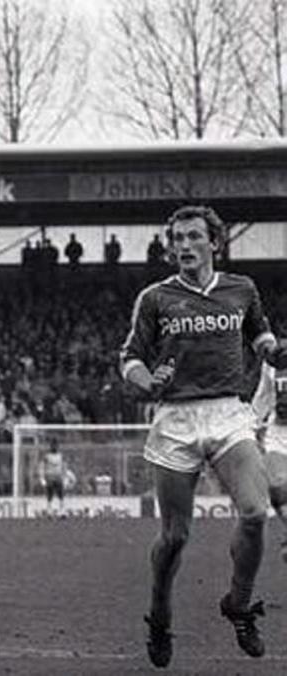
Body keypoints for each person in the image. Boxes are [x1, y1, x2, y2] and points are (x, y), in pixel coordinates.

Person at [121, 205, 287, 667]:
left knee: (256, 514)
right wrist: (144, 381)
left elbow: (261, 336)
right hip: (175, 420)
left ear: (214, 242)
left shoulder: (241, 289)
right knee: (174, 537)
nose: (184, 245)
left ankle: (239, 603)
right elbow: (130, 357)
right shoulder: (155, 298)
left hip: (228, 414)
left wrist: (275, 353)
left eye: (194, 237)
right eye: (177, 239)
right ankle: (159, 613)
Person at [250, 360, 287, 562]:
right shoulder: (274, 360)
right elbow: (263, 396)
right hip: (279, 436)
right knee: (276, 487)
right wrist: (250, 425)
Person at [38, 438, 67, 512]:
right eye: (53, 445)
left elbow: (64, 467)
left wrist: (65, 477)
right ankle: (49, 510)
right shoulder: (46, 456)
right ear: (50, 446)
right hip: (49, 477)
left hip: (58, 477)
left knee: (61, 494)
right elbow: (41, 467)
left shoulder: (61, 456)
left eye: (56, 445)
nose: (54, 447)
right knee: (50, 494)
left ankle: (62, 510)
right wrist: (42, 478)